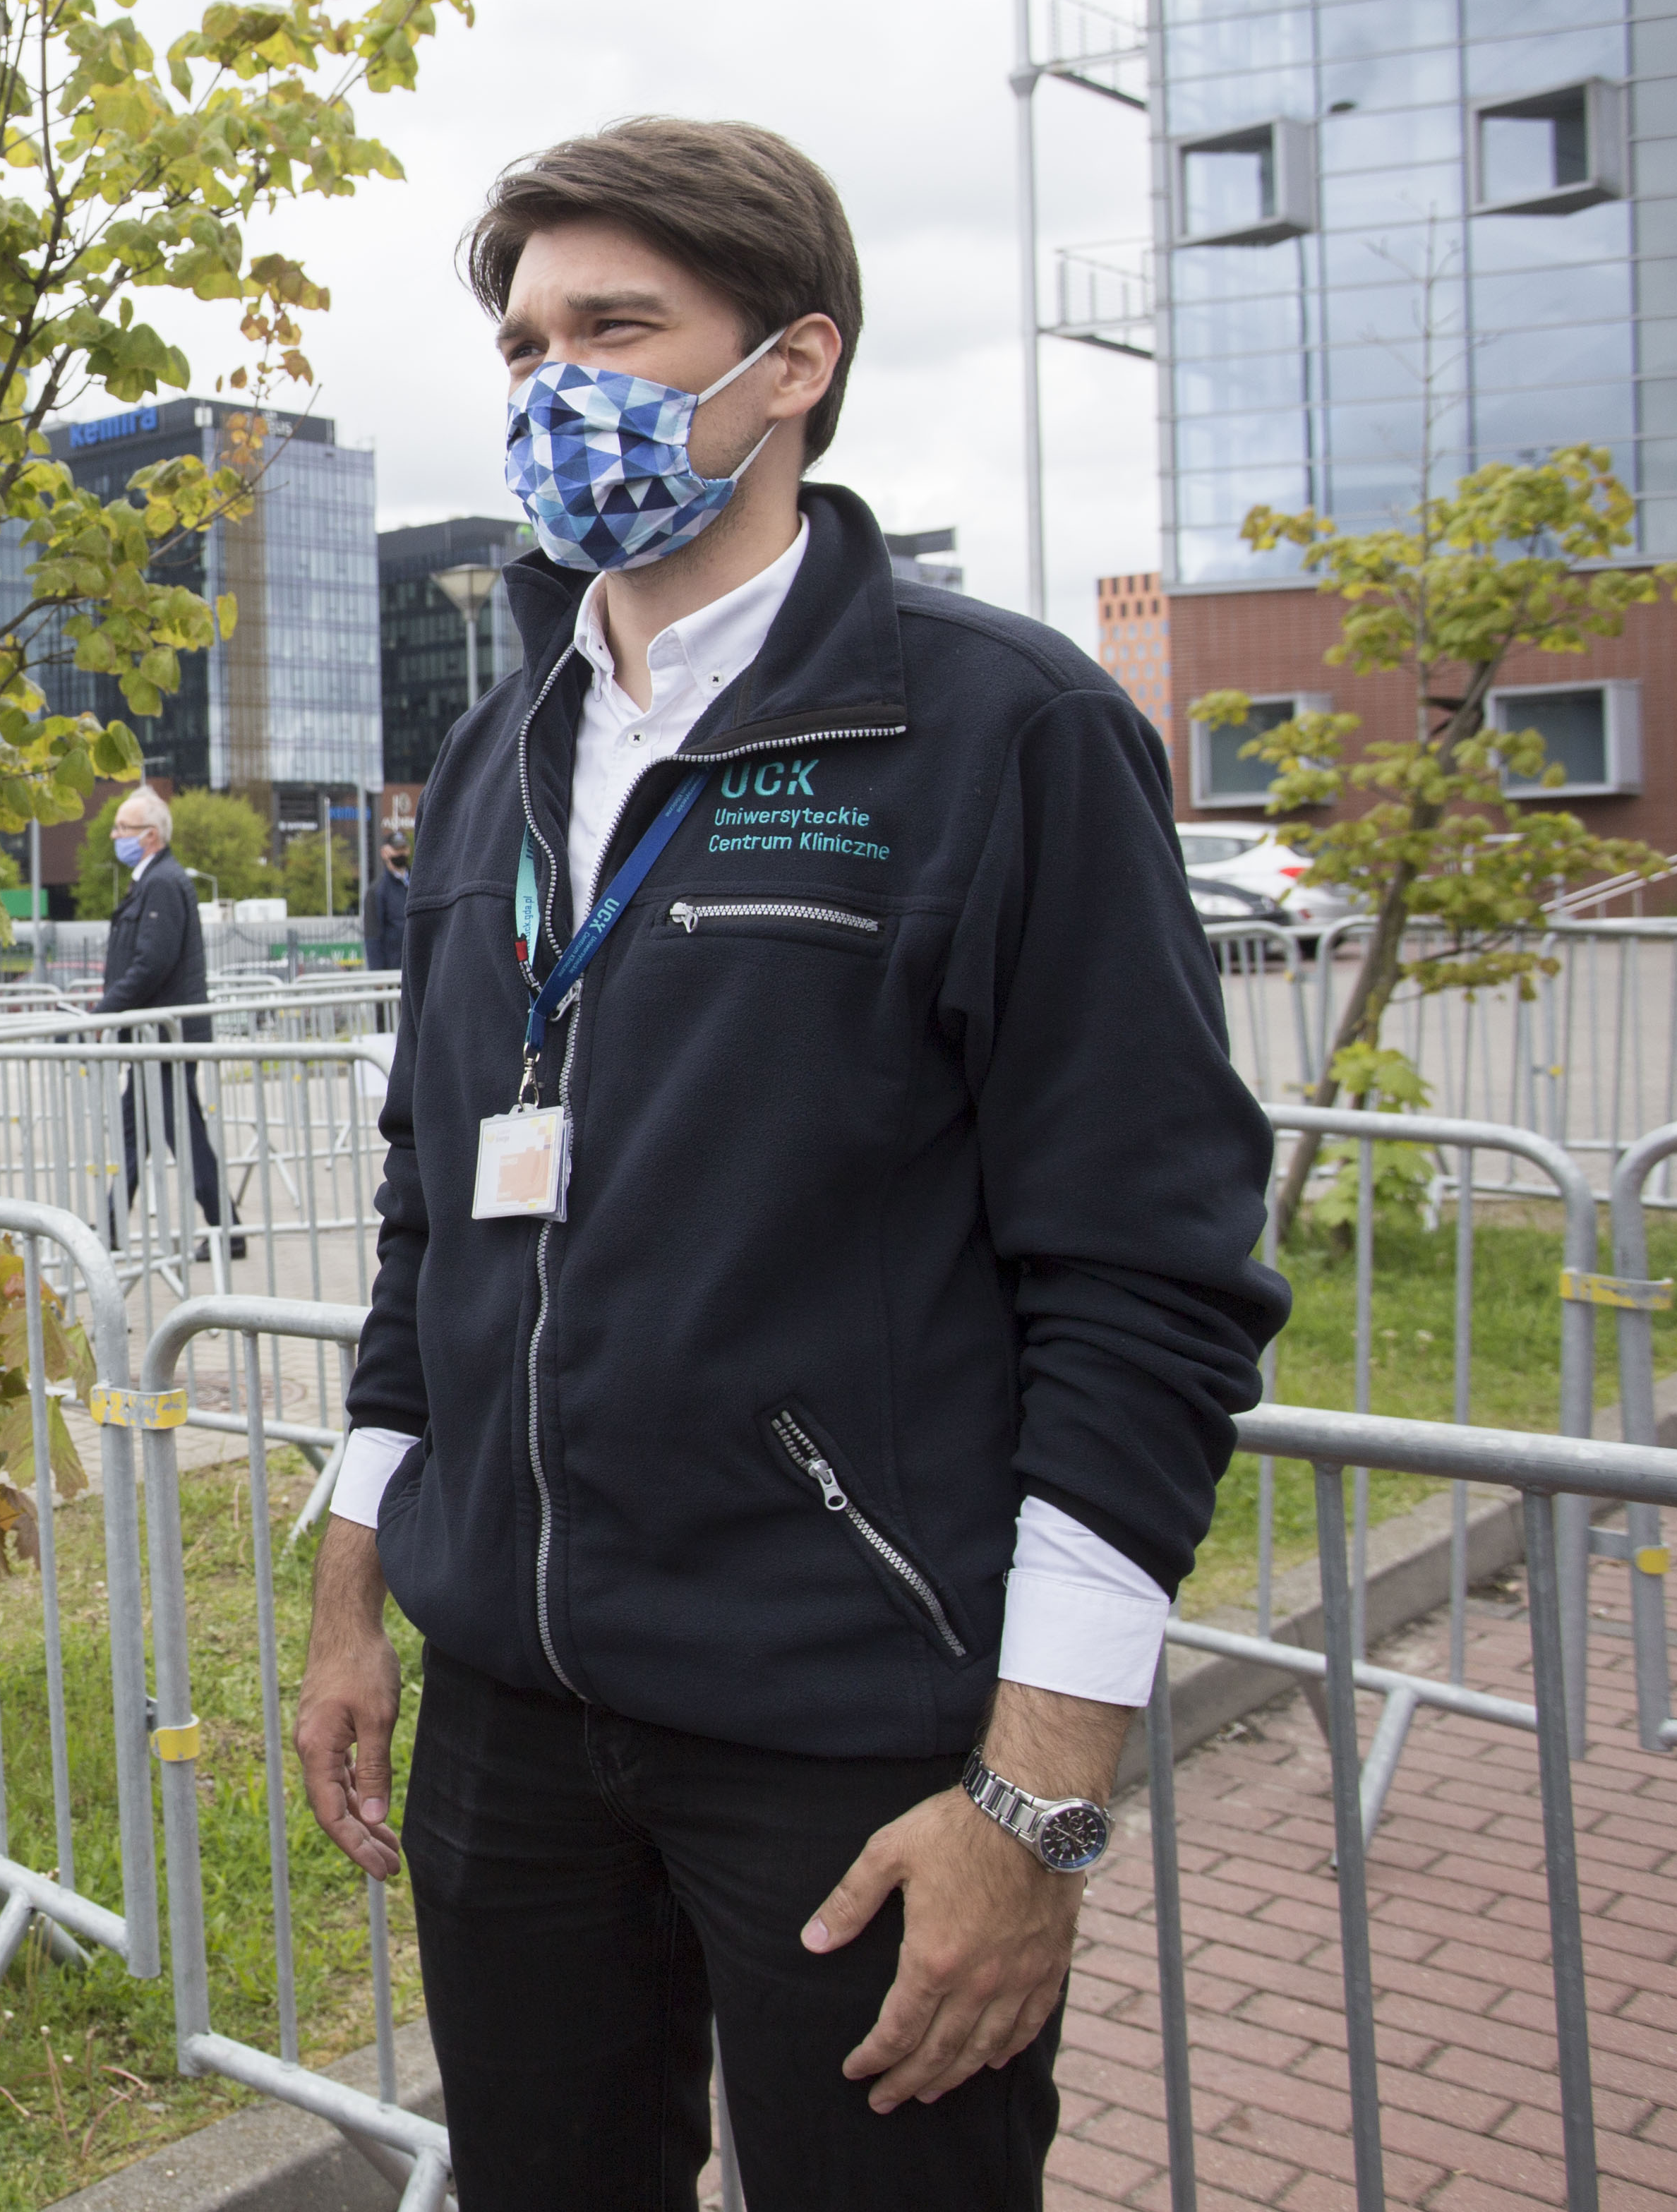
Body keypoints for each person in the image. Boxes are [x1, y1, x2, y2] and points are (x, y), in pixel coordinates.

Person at [288, 118, 1287, 2212]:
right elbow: (429, 1197)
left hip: (846, 1727)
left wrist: (1037, 1802)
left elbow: (1147, 1278)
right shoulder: (494, 751)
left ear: (794, 362)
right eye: (525, 342)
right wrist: (354, 1589)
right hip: (514, 1723)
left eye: (617, 328)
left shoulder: (1002, 731)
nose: (556, 383)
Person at [96, 787, 225, 1249]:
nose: (115, 836)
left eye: (123, 828)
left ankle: (227, 1227)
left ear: (150, 835)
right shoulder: (153, 880)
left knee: (181, 1134)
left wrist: (104, 1011)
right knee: (136, 1131)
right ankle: (112, 1226)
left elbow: (152, 963)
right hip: (153, 1037)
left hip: (165, 1038)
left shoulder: (163, 882)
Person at [363, 832, 413, 974]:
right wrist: (378, 975)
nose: (400, 853)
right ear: (385, 852)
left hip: (419, 968)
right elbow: (373, 935)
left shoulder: (419, 883)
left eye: (403, 849)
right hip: (393, 971)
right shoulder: (377, 891)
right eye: (396, 849)